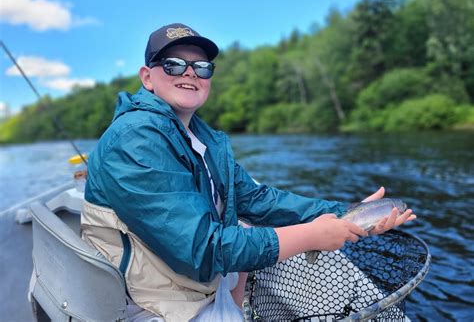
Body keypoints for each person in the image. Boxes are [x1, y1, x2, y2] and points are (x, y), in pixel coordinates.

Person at [81, 23, 416, 322]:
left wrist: (347, 215)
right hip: (154, 303)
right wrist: (312, 237)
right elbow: (204, 251)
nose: (189, 73)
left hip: (187, 283)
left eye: (201, 67)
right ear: (147, 77)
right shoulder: (135, 139)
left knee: (248, 224)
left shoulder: (200, 138)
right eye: (173, 64)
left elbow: (257, 199)